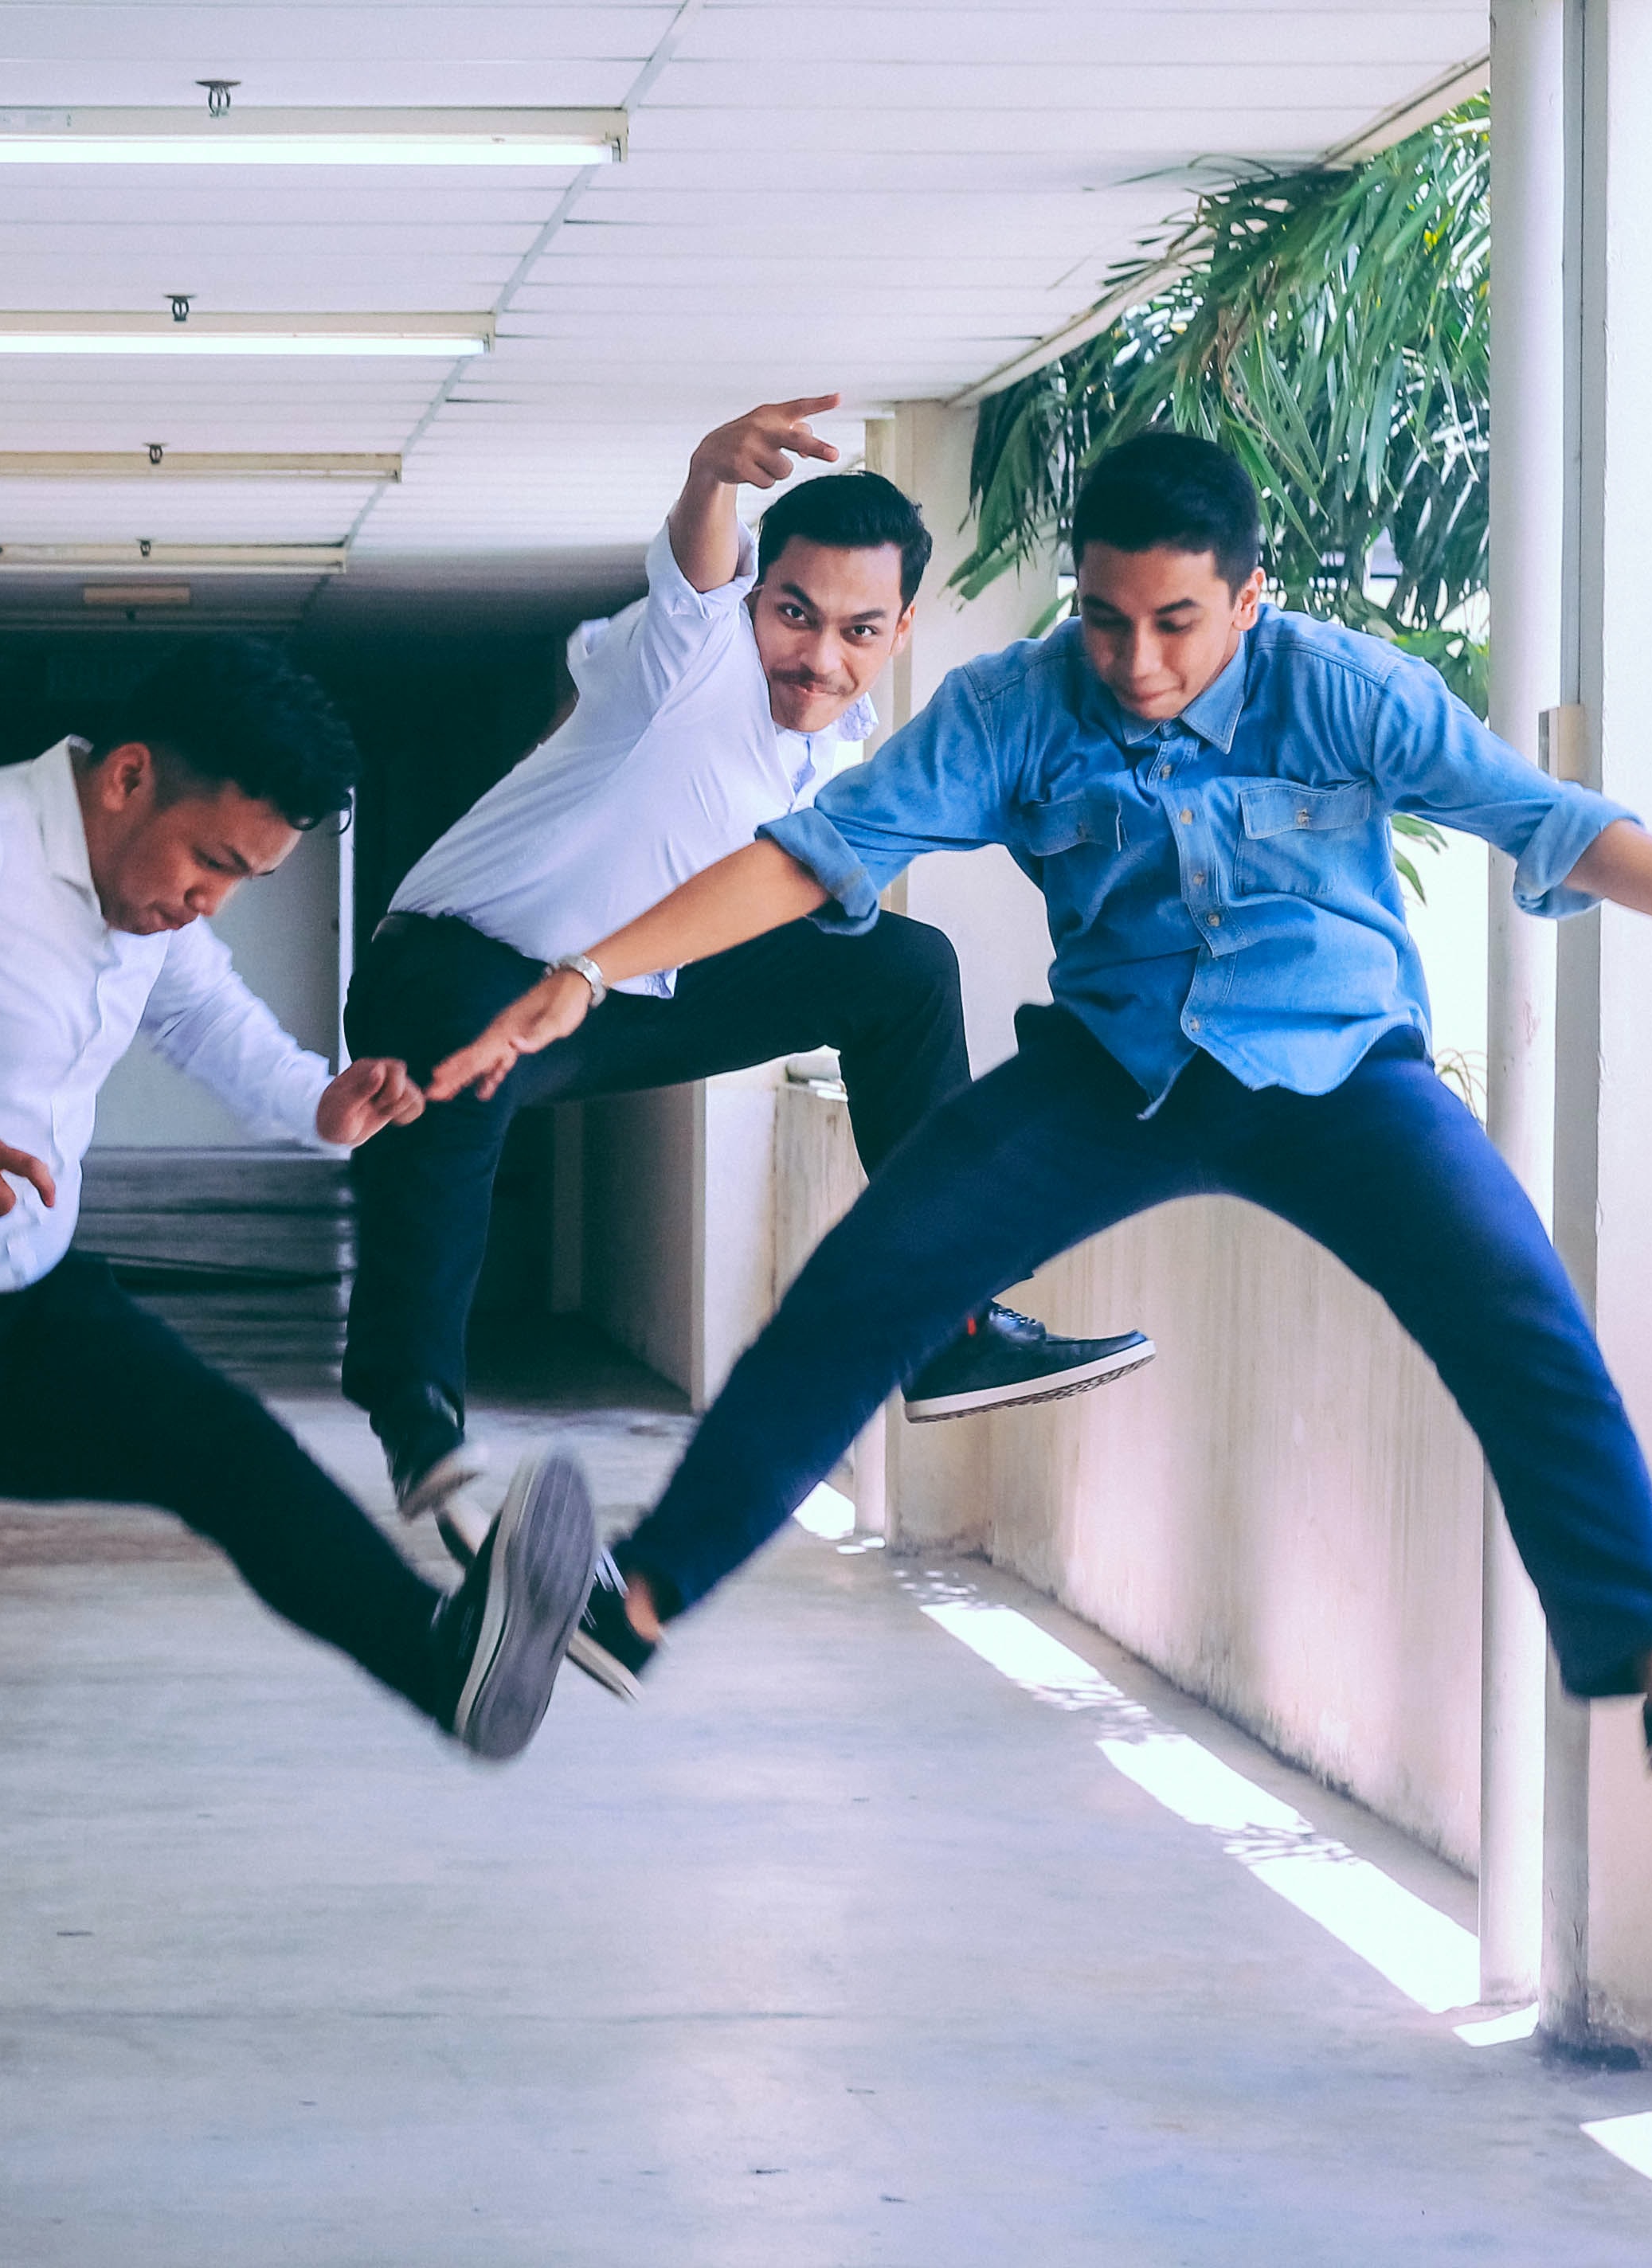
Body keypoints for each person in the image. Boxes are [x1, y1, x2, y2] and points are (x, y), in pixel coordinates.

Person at [433, 431, 1652, 1769]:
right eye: (1106, 618)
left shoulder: (1346, 691)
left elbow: (1553, 825)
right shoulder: (1016, 707)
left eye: (1174, 623)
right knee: (870, 1286)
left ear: (1247, 598)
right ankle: (641, 1603)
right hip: (1109, 1075)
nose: (1133, 660)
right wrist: (592, 966)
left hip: (1342, 1076)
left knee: (1522, 1316)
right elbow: (819, 848)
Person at [0, 639, 594, 2268]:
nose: (208, 899)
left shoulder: (139, 895)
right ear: (125, 780)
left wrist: (327, 1100)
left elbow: (209, 1018)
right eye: (212, 859)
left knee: (232, 1448)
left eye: (248, 877)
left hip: (23, 1295)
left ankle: (448, 1658)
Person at [346, 396, 1151, 1549]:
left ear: (902, 630)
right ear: (754, 598)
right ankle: (415, 1407)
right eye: (794, 615)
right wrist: (708, 478)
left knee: (908, 967)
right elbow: (696, 579)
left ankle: (948, 1326)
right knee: (468, 1054)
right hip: (445, 970)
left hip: (623, 997)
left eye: (859, 632)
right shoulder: (692, 658)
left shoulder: (839, 753)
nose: (820, 657)